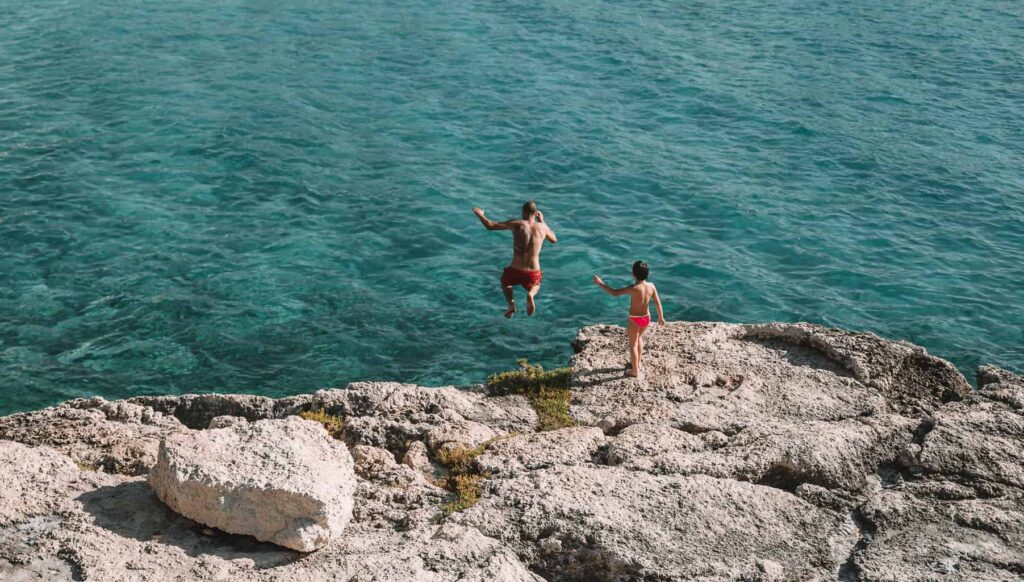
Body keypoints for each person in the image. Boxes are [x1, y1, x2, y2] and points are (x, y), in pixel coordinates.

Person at [473, 201, 557, 318]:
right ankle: (531, 295)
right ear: (536, 213)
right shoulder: (543, 227)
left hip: (515, 269)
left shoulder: (516, 223)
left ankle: (511, 304)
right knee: (536, 284)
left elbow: (490, 225)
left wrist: (479, 213)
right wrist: (542, 221)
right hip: (533, 271)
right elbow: (554, 239)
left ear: (523, 211)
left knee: (505, 283)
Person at [592, 261, 666, 378]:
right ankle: (638, 363)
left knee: (632, 346)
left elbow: (614, 293)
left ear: (633, 274)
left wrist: (600, 283)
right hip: (646, 318)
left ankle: (635, 371)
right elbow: (657, 303)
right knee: (639, 338)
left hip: (634, 320)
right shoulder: (651, 286)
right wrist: (661, 317)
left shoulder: (634, 288)